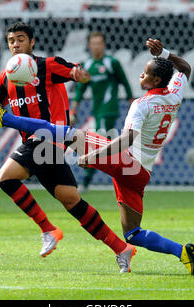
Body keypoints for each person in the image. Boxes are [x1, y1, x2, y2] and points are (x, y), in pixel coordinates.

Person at [0, 38, 194, 276]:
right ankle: (182, 252)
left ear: (156, 81)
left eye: (145, 74)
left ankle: (6, 119)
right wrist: (165, 53)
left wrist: (93, 156)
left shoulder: (142, 105)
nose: (141, 76)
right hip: (141, 174)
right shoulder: (174, 93)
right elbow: (185, 68)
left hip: (127, 161)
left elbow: (126, 140)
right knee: (133, 234)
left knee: (68, 134)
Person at [0, 22, 136, 273]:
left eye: (21, 39)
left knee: (5, 178)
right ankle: (122, 248)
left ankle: (48, 229)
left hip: (48, 139)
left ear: (32, 42)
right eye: (11, 40)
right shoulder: (8, 76)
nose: (15, 44)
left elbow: (77, 72)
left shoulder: (46, 65)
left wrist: (80, 75)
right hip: (41, 146)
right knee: (71, 200)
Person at [71, 31, 133, 193]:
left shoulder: (112, 62)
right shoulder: (88, 65)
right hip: (98, 111)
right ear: (89, 46)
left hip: (109, 110)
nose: (96, 46)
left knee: (100, 144)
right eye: (93, 43)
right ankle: (126, 174)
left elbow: (125, 82)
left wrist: (131, 102)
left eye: (99, 43)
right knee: (109, 145)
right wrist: (73, 109)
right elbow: (80, 89)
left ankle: (85, 181)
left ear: (104, 45)